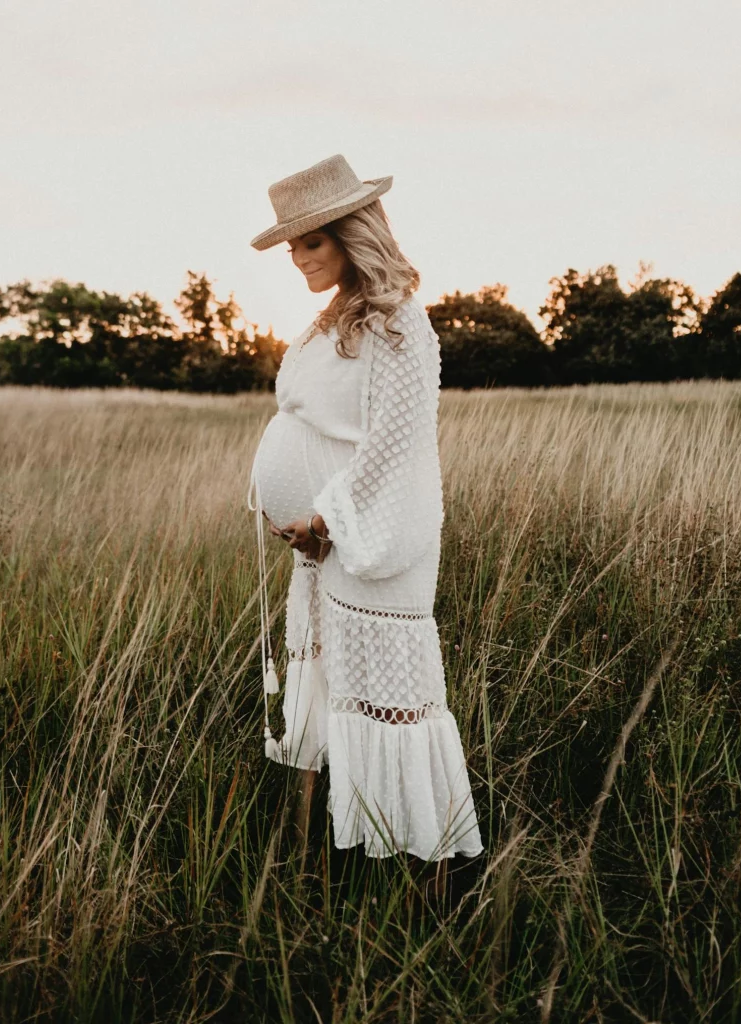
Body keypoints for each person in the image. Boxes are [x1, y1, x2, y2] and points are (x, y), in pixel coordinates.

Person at [247, 153, 484, 865]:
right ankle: (316, 871)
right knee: (326, 699)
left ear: (354, 233)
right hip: (322, 553)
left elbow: (395, 447)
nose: (296, 256)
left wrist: (322, 522)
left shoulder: (401, 325)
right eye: (291, 243)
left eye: (309, 240)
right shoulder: (327, 322)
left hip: (368, 543)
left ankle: (423, 877)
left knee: (393, 708)